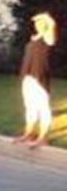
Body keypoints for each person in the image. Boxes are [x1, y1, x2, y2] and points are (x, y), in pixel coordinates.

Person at [14, 12, 57, 148]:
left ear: (45, 25)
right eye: (37, 24)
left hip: (39, 77)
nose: (38, 25)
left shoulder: (47, 38)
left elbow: (52, 25)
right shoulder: (33, 38)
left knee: (43, 108)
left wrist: (45, 17)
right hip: (28, 77)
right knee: (30, 107)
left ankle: (42, 137)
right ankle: (28, 134)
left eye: (41, 24)